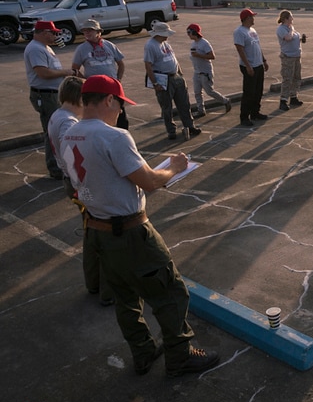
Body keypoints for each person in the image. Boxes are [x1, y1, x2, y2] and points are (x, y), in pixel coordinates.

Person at [63, 75, 219, 377]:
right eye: (120, 104)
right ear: (109, 100)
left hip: (97, 230)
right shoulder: (115, 136)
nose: (121, 111)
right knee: (170, 291)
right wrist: (173, 168)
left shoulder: (69, 134)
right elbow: (148, 181)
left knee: (125, 298)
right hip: (130, 233)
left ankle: (143, 351)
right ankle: (180, 355)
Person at [48, 76, 114, 306]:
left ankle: (94, 283)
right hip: (79, 181)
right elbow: (75, 156)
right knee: (103, 234)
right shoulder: (69, 123)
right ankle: (107, 290)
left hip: (72, 180)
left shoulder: (57, 116)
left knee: (92, 232)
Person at [25, 20, 76, 178]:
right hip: (45, 94)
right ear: (43, 33)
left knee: (56, 128)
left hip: (51, 93)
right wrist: (65, 72)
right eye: (53, 33)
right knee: (52, 130)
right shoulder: (35, 49)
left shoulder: (44, 47)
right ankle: (55, 167)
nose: (56, 36)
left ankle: (58, 165)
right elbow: (43, 73)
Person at [143, 22, 201, 141]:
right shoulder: (150, 46)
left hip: (175, 76)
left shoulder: (166, 43)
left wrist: (180, 73)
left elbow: (173, 58)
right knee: (166, 107)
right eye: (165, 34)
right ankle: (171, 130)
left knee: (184, 103)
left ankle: (189, 125)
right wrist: (155, 83)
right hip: (163, 78)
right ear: (159, 34)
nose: (167, 36)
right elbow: (148, 65)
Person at [72, 19, 128, 129]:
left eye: (90, 30)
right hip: (95, 90)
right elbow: (74, 69)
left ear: (99, 32)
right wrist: (87, 82)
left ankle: (122, 135)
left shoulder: (109, 45)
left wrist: (118, 80)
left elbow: (121, 64)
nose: (87, 33)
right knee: (99, 117)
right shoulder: (81, 49)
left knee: (121, 117)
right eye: (85, 31)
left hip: (112, 87)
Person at [185, 23, 231, 117]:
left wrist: (199, 55)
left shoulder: (204, 43)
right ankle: (201, 110)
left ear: (194, 32)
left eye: (189, 32)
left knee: (209, 91)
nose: (188, 35)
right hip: (197, 71)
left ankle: (225, 101)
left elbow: (212, 56)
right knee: (197, 92)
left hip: (205, 72)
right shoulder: (193, 44)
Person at [234, 8, 269, 126]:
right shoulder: (239, 32)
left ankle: (255, 112)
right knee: (249, 92)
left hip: (258, 64)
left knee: (258, 91)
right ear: (247, 18)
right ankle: (244, 116)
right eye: (252, 17)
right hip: (249, 65)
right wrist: (248, 66)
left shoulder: (253, 30)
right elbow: (240, 49)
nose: (254, 19)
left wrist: (264, 60)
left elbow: (258, 46)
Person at [276, 10, 304, 111]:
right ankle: (283, 100)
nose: (292, 19)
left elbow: (295, 38)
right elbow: (288, 38)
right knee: (287, 78)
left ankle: (293, 96)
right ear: (285, 19)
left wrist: (301, 39)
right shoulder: (282, 29)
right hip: (288, 57)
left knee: (296, 77)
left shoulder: (290, 28)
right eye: (291, 17)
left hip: (296, 56)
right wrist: (291, 30)